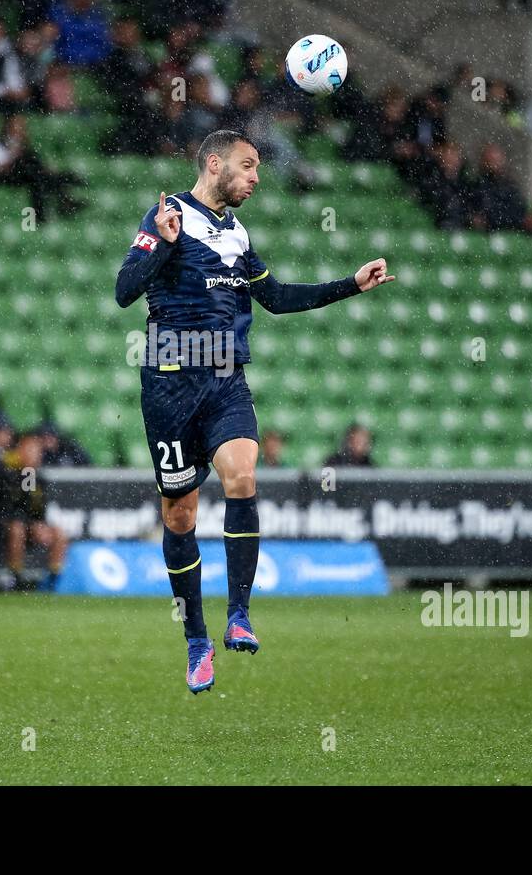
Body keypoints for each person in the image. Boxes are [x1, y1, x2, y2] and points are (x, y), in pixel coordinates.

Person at [114, 129, 394, 693]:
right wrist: (163, 245)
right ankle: (197, 642)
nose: (256, 178)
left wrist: (351, 285)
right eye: (247, 166)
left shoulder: (237, 236)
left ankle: (238, 613)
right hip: (168, 388)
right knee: (181, 518)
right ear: (213, 163)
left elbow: (278, 298)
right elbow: (124, 291)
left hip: (225, 382)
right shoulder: (167, 216)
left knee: (243, 477)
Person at [0, 431, 68, 591]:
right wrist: (31, 523)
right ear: (20, 450)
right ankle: (16, 577)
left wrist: (39, 524)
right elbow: (10, 506)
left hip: (27, 524)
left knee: (59, 533)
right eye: (30, 449)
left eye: (37, 450)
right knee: (17, 528)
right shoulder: (8, 472)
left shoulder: (35, 477)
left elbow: (35, 508)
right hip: (2, 524)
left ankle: (53, 579)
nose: (34, 454)